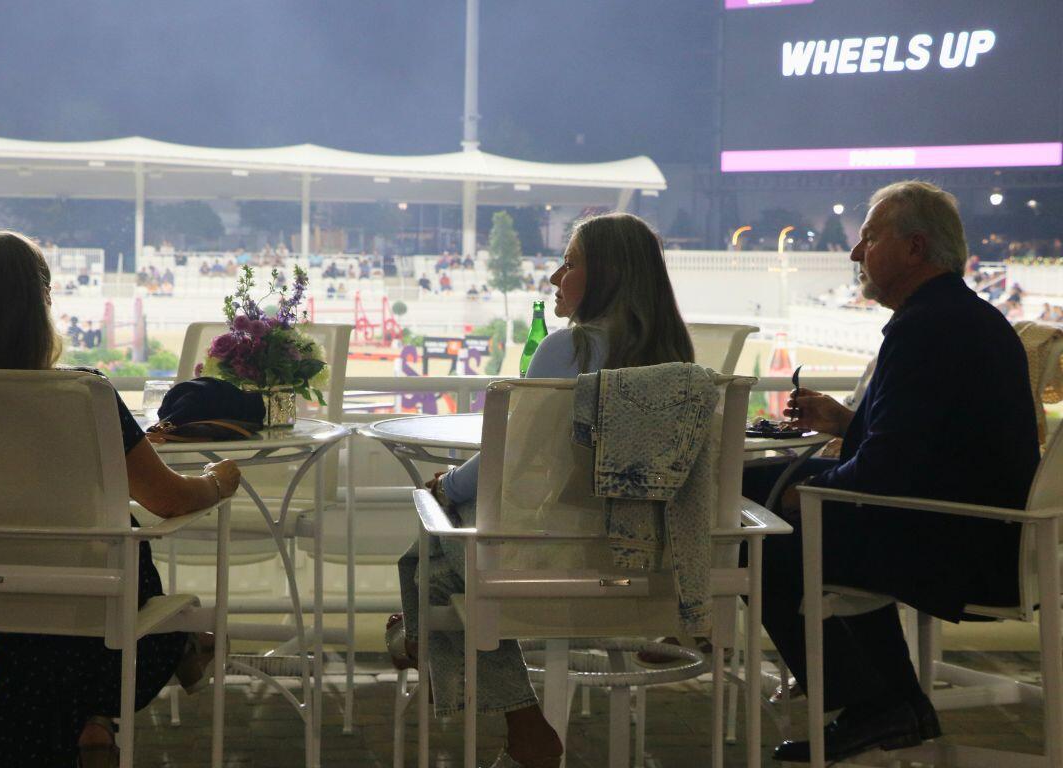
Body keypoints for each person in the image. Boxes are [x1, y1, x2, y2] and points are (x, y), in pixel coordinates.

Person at [752, 182, 1039, 762]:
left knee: (759, 537)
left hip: (959, 546)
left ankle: (874, 703)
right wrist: (844, 423)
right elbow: (926, 447)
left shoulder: (927, 327)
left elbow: (886, 471)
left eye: (869, 238)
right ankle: (894, 702)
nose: (855, 253)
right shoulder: (957, 316)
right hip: (977, 528)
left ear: (914, 248)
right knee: (759, 492)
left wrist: (803, 494)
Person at [394, 213, 694, 768]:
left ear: (607, 274)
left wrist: (446, 485)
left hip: (559, 562)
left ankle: (468, 679)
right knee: (440, 558)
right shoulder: (680, 362)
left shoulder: (568, 349)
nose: (556, 277)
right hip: (648, 563)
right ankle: (426, 646)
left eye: (570, 263)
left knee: (430, 551)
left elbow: (509, 457)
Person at [0, 231, 242, 768]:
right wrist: (217, 482)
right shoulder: (84, 395)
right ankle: (154, 665)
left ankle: (93, 722)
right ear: (43, 303)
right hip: (89, 588)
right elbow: (169, 498)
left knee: (34, 618)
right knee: (105, 578)